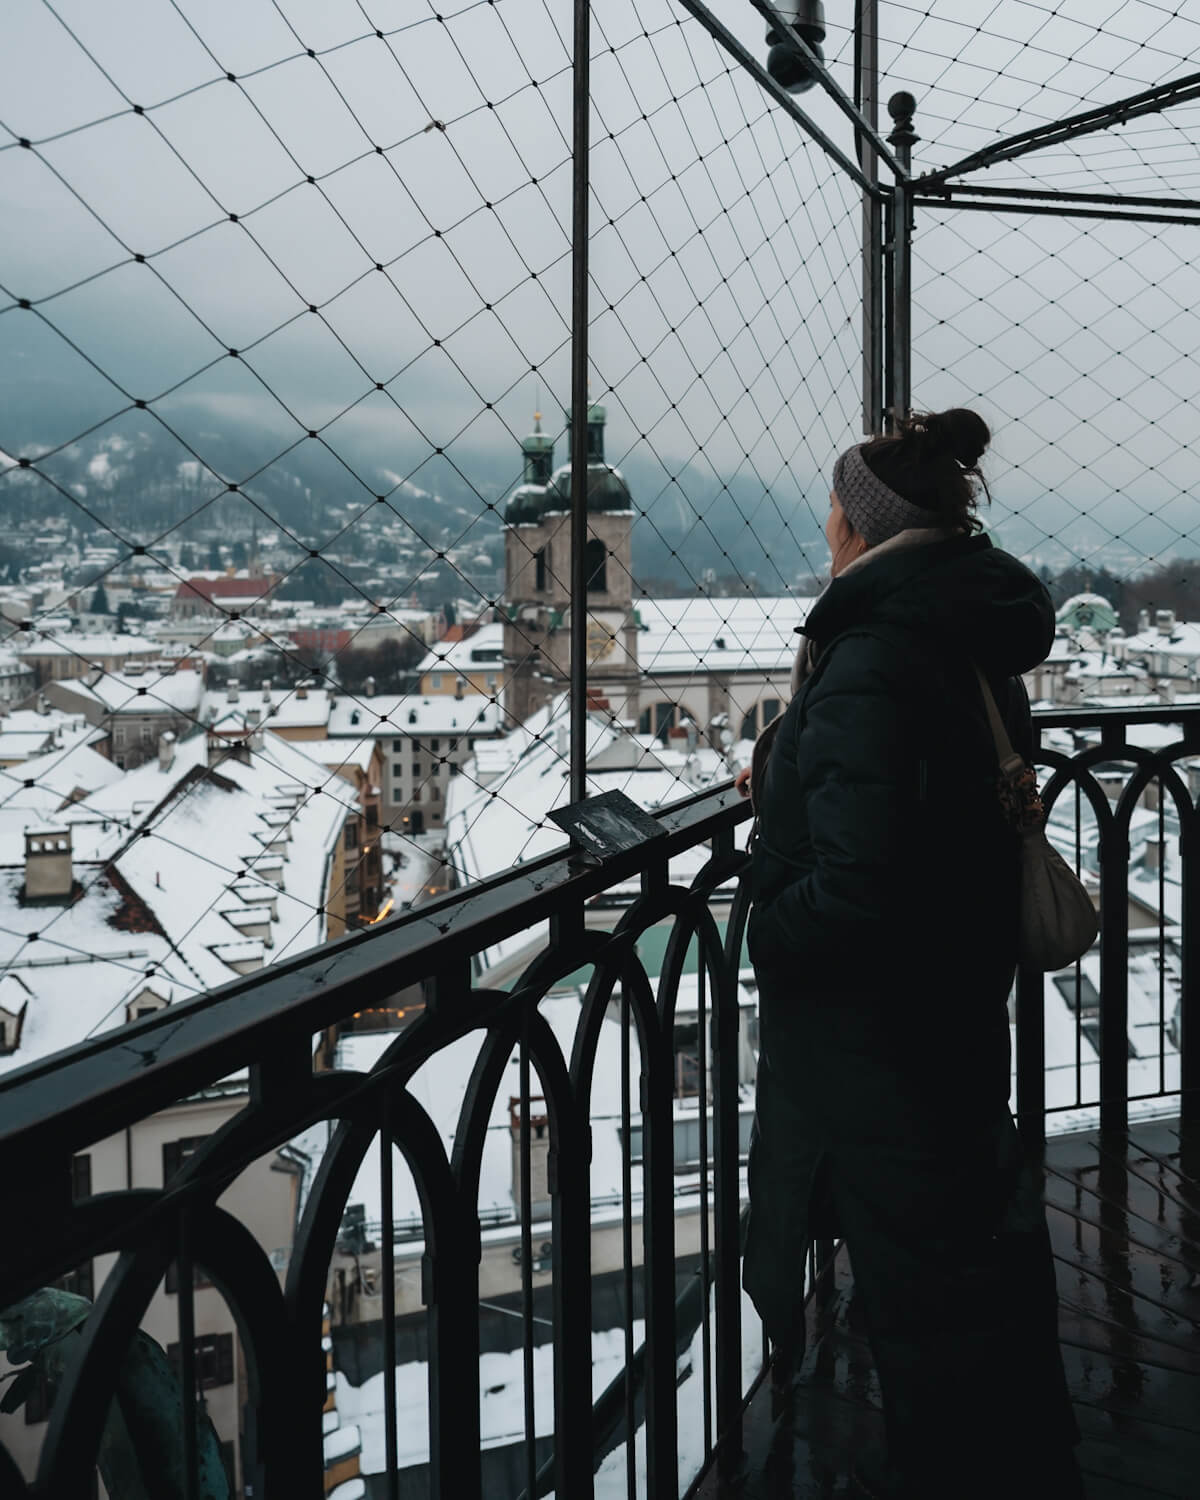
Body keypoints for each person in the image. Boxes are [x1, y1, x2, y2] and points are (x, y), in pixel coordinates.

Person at [740, 409, 1085, 1499]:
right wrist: (789, 763)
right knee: (979, 1295)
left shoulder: (866, 655)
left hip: (878, 1054)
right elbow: (916, 790)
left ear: (866, 528)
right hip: (954, 1015)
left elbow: (857, 882)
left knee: (929, 1329)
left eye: (837, 506)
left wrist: (765, 925)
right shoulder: (956, 629)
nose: (828, 523)